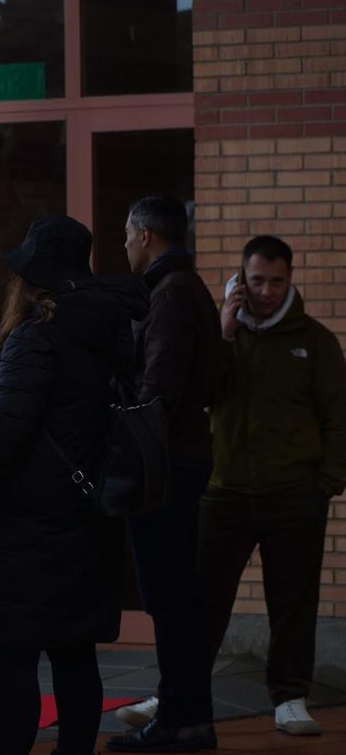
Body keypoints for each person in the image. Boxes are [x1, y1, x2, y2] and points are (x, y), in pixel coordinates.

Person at [0, 215, 148, 755]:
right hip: (84, 517)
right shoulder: (109, 332)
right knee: (74, 651)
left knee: (12, 659)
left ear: (30, 280)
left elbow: (3, 429)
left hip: (20, 527)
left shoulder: (35, 340)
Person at [200, 235, 346, 737]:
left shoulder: (316, 341)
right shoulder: (220, 335)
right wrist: (222, 331)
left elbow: (337, 418)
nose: (265, 291)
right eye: (256, 280)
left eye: (275, 281)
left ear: (290, 279)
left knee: (292, 601)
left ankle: (289, 698)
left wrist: (324, 483)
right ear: (240, 280)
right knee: (203, 598)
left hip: (293, 494)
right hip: (224, 492)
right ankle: (182, 691)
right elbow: (200, 394)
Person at [106, 197, 222, 751]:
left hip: (167, 465)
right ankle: (188, 717)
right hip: (180, 459)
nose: (124, 244)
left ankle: (181, 719)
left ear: (147, 234)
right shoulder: (186, 287)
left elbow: (159, 387)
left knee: (171, 599)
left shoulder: (171, 293)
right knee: (177, 598)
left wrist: (130, 446)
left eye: (128, 234)